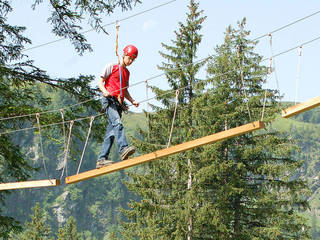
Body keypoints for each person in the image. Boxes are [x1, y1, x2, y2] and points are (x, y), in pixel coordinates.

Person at [96, 45, 140, 168]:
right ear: (124, 55)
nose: (130, 61)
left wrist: (131, 101)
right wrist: (104, 91)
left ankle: (101, 159)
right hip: (109, 100)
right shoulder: (112, 66)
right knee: (117, 123)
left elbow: (124, 91)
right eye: (129, 58)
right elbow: (100, 82)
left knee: (111, 133)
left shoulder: (126, 73)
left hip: (118, 103)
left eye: (133, 60)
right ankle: (123, 148)